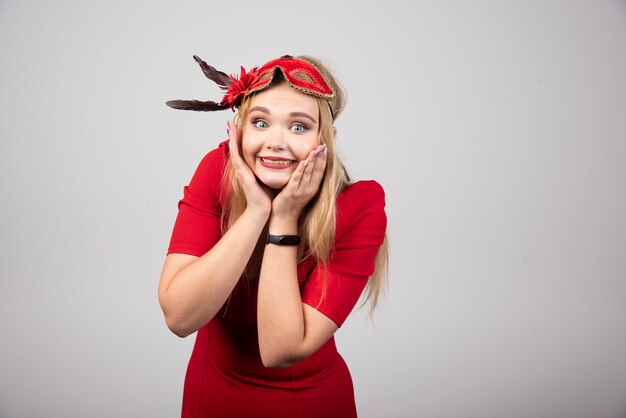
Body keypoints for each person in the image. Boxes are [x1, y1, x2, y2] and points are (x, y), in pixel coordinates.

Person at [158, 54, 388, 418]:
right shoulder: (215, 171)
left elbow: (279, 350)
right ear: (238, 131)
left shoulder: (359, 207)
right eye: (260, 122)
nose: (276, 142)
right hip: (211, 397)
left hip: (308, 405)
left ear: (325, 138)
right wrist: (256, 213)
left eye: (299, 127)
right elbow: (180, 318)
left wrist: (284, 218)